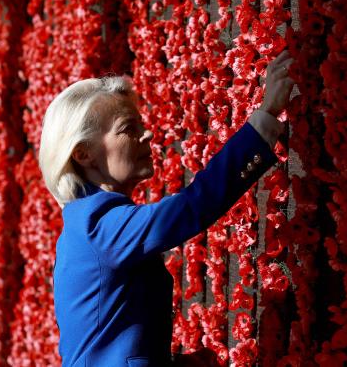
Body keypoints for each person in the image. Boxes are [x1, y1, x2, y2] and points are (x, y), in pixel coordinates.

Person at [38, 51, 295, 367]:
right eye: (127, 128)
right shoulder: (98, 227)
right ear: (83, 153)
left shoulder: (88, 226)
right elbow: (193, 206)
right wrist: (266, 117)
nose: (146, 135)